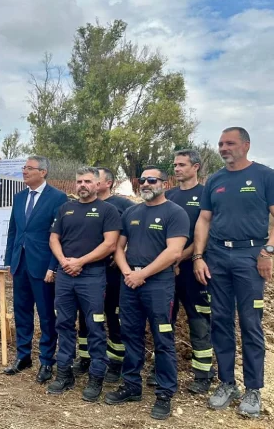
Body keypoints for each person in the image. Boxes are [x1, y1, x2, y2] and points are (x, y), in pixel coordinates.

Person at [193, 127, 274, 418]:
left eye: (230, 143)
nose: (223, 148)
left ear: (246, 145)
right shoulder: (215, 180)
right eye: (221, 144)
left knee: (250, 323)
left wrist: (268, 251)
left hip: (251, 256)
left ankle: (253, 388)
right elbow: (204, 219)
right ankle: (227, 383)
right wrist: (198, 256)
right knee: (221, 321)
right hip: (218, 256)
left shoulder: (266, 176)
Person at [105, 166, 188, 421]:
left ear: (164, 183)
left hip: (158, 284)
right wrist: (128, 272)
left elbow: (174, 252)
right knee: (131, 335)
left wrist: (143, 274)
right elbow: (118, 247)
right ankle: (131, 386)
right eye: (142, 180)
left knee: (163, 338)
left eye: (152, 180)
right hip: (130, 283)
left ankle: (164, 394)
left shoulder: (175, 213)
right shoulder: (131, 212)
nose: (145, 184)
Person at [48, 167, 120, 401]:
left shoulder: (108, 210)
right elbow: (54, 238)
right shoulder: (65, 208)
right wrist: (63, 262)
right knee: (64, 324)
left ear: (98, 184)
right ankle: (64, 373)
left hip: (92, 276)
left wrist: (80, 262)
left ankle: (96, 377)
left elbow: (110, 245)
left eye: (88, 181)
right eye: (79, 181)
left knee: (95, 327)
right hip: (66, 276)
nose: (82, 185)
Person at [3, 156, 68, 383]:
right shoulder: (19, 197)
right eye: (24, 168)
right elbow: (14, 230)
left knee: (47, 315)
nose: (24, 172)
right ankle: (23, 356)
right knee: (21, 312)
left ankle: (47, 361)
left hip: (43, 267)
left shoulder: (58, 198)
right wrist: (10, 260)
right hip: (20, 264)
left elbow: (59, 236)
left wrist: (54, 266)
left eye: (29, 168)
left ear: (43, 172)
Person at [158, 149, 215, 393]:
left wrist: (180, 258)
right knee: (164, 321)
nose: (177, 169)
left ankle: (203, 374)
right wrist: (167, 262)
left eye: (182, 164)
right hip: (167, 271)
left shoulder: (206, 195)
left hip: (194, 270)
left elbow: (205, 232)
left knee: (199, 321)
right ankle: (161, 369)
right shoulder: (167, 196)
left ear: (196, 167)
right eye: (175, 165)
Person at [73, 167, 134, 382]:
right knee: (85, 314)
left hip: (112, 272)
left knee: (112, 314)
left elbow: (134, 231)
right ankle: (85, 357)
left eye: (93, 180)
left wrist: (124, 251)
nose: (87, 184)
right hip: (86, 271)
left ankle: (116, 361)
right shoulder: (81, 206)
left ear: (106, 183)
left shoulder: (123, 206)